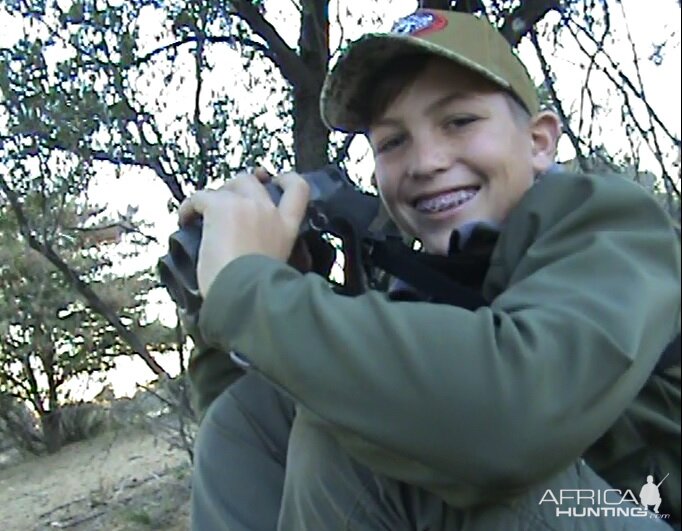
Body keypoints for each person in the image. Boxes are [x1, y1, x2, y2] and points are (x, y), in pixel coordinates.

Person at [179, 9, 681, 530]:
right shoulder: (419, 282)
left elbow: (513, 415)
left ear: (539, 142)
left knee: (379, 427)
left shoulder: (611, 227)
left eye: (459, 122)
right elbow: (257, 463)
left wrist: (253, 295)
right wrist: (221, 303)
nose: (426, 162)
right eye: (393, 142)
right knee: (254, 412)